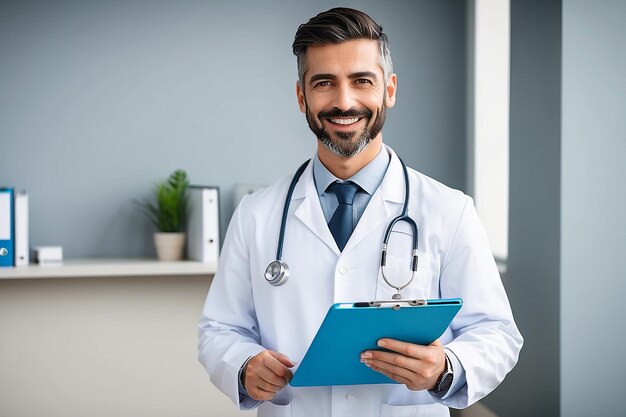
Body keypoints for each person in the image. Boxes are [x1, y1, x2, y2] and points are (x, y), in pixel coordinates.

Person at [198, 7, 522, 417]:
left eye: (361, 81)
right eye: (324, 83)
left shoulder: (449, 210)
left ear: (389, 90)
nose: (344, 101)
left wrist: (445, 368)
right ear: (302, 97)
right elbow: (219, 329)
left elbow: (496, 333)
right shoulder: (256, 215)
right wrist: (243, 365)